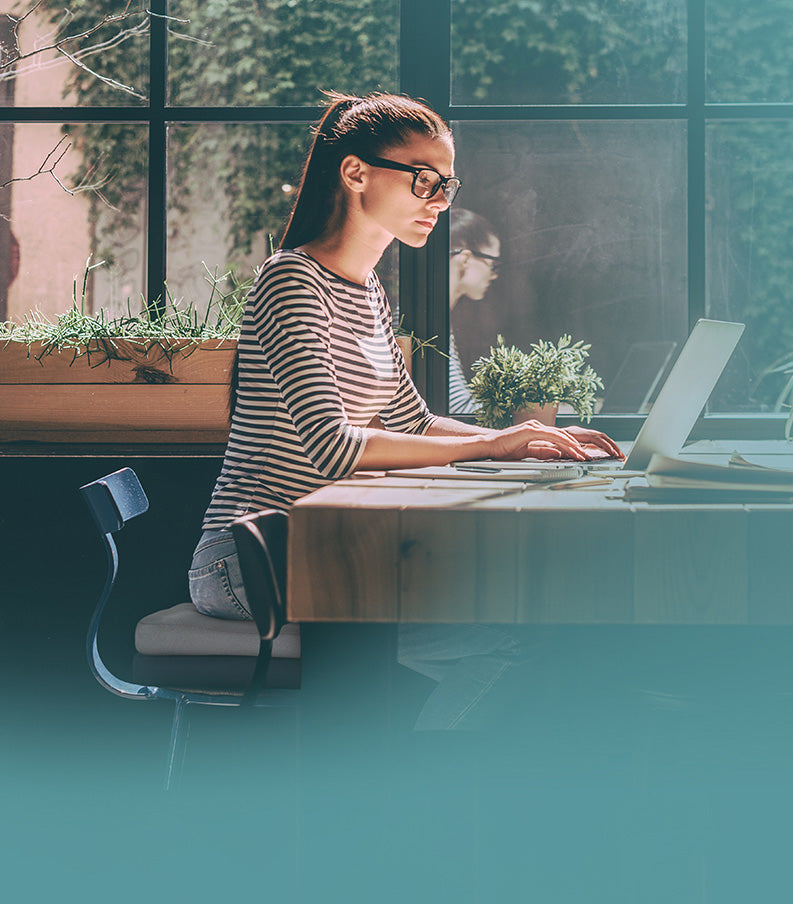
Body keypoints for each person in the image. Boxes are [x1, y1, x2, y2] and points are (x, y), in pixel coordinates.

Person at [188, 91, 623, 726]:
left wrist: (521, 436)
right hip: (246, 558)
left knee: (517, 627)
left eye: (447, 184)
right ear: (356, 173)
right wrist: (486, 447)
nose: (441, 201)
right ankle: (407, 790)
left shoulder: (367, 294)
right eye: (425, 180)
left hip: (332, 549)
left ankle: (407, 783)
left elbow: (412, 421)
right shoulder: (290, 281)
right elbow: (334, 449)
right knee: (508, 643)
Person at [448, 207, 501, 412]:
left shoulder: (437, 319)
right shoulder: (427, 323)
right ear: (466, 259)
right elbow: (457, 409)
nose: (494, 275)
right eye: (493, 264)